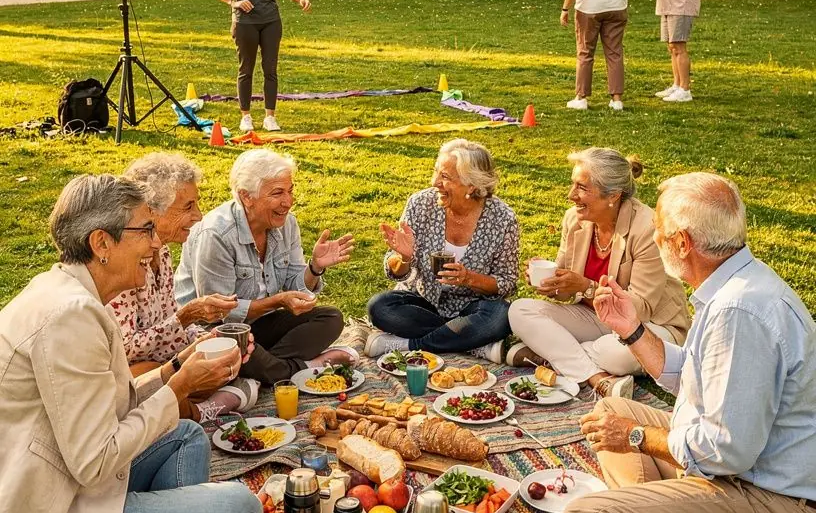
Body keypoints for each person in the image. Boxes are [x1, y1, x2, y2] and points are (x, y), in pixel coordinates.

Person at [561, 173, 816, 513]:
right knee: (614, 405)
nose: (653, 239)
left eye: (659, 231)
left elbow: (725, 451)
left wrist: (636, 438)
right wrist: (632, 331)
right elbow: (697, 380)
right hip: (752, 473)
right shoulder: (738, 286)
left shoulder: (740, 312)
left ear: (682, 243)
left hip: (777, 507)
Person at [0, 175, 262, 513]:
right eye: (146, 230)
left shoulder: (67, 292)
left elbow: (107, 408)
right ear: (101, 242)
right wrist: (179, 389)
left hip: (66, 481)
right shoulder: (69, 316)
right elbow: (95, 460)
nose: (157, 244)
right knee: (241, 508)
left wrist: (175, 369)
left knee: (183, 435)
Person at [506, 147, 689, 395]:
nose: (571, 195)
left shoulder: (647, 228)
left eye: (582, 187)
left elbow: (642, 307)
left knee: (614, 354)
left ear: (613, 195)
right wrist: (553, 284)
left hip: (648, 324)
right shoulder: (575, 219)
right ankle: (597, 378)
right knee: (520, 310)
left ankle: (552, 355)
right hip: (596, 319)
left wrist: (586, 287)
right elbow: (566, 291)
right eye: (573, 184)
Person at [175, 149, 352, 386]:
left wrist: (315, 267)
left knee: (331, 318)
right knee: (236, 347)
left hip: (260, 325)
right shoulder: (215, 234)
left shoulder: (287, 223)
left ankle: (260, 369)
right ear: (246, 197)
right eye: (278, 193)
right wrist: (277, 302)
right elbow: (219, 314)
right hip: (215, 332)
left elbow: (295, 287)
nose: (288, 202)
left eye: (290, 191)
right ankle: (299, 368)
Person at [109, 153, 258, 422]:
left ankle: (196, 403)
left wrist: (210, 339)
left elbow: (169, 321)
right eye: (188, 206)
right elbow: (125, 349)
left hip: (164, 359)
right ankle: (201, 411)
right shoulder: (124, 260)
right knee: (153, 377)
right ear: (153, 210)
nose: (198, 216)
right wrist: (186, 316)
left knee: (219, 360)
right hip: (128, 373)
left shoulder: (163, 252)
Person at [365, 139, 519, 362]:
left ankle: (410, 345)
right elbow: (396, 272)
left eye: (445, 177)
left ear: (472, 185)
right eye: (436, 172)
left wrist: (468, 278)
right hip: (423, 302)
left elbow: (507, 282)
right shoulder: (420, 204)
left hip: (472, 308)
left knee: (499, 316)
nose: (434, 182)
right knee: (380, 307)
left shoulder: (503, 219)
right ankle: (471, 343)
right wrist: (404, 258)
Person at [207, 0, 312, 134]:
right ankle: (245, 116)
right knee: (246, 69)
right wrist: (232, 2)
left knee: (270, 69)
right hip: (245, 22)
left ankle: (270, 117)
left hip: (271, 20)